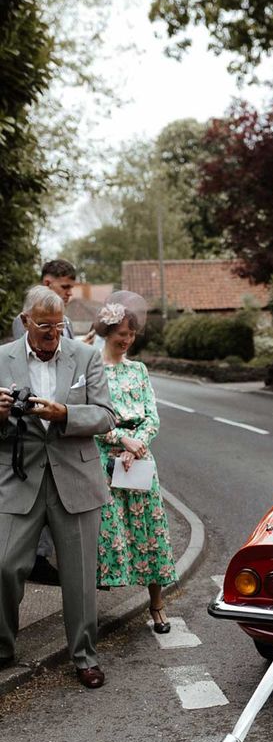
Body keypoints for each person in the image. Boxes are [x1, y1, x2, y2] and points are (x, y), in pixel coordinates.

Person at [0, 286, 116, 687]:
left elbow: (106, 416)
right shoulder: (1, 358)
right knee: (3, 565)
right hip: (19, 477)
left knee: (80, 575)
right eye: (44, 325)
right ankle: (3, 647)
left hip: (76, 477)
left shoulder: (85, 356)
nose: (53, 332)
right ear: (25, 320)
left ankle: (84, 657)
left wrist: (65, 413)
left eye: (59, 324)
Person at [93, 294, 177, 633]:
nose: (126, 340)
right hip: (106, 462)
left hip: (139, 460)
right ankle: (91, 611)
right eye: (121, 333)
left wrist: (137, 444)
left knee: (150, 531)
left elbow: (152, 417)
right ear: (107, 331)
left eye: (132, 334)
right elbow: (93, 419)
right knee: (108, 533)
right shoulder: (93, 370)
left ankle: (157, 604)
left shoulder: (139, 370)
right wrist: (120, 440)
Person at [11, 259, 78, 584]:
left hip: (63, 440)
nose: (69, 293)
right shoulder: (23, 325)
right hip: (31, 441)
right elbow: (24, 370)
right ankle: (33, 561)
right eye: (65, 286)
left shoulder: (66, 324)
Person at [12, 259, 76, 340]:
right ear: (47, 284)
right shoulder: (26, 320)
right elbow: (25, 351)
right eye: (64, 287)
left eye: (71, 288)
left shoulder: (67, 321)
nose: (70, 293)